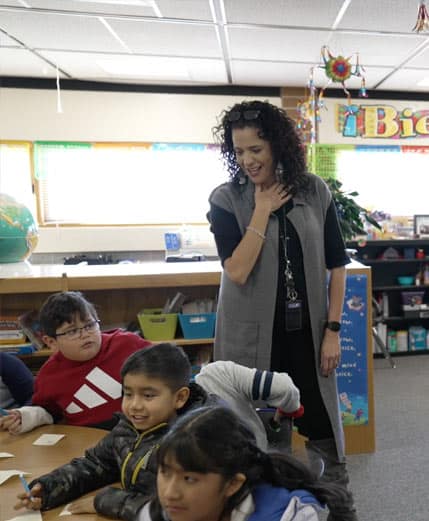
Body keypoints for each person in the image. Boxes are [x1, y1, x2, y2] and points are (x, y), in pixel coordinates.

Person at [207, 100, 356, 520]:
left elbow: (337, 265)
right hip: (252, 342)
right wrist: (261, 208)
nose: (248, 160)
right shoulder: (226, 199)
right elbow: (236, 270)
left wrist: (332, 330)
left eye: (256, 149)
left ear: (278, 145)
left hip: (307, 338)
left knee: (325, 433)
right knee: (264, 441)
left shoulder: (314, 190)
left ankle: (343, 513)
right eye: (239, 151)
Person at [14, 343, 303, 520]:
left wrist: (106, 501)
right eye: (128, 394)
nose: (134, 406)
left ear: (179, 398)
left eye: (148, 396)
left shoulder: (200, 440)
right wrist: (50, 488)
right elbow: (97, 463)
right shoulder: (132, 425)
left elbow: (180, 509)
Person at [140, 406, 350, 521]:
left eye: (189, 479)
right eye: (165, 473)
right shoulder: (159, 511)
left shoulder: (288, 516)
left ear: (233, 484)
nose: (170, 493)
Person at [0, 291, 151, 434]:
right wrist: (25, 416)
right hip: (90, 445)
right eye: (72, 331)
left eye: (90, 325)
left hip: (144, 434)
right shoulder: (49, 377)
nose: (84, 335)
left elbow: (169, 362)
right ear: (51, 341)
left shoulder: (127, 344)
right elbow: (48, 412)